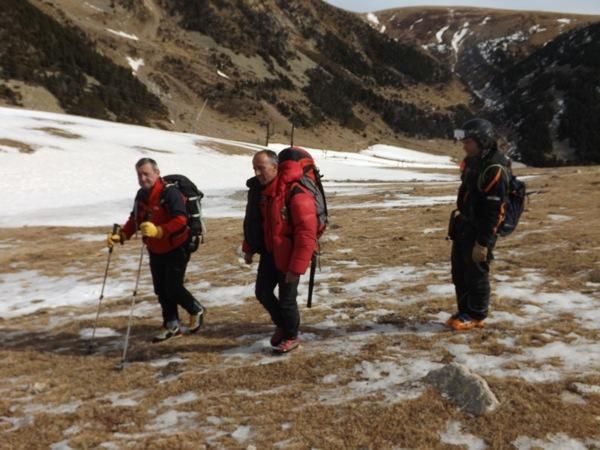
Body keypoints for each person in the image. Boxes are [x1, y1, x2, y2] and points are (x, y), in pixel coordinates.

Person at [107, 158, 205, 342]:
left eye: (146, 174)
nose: (143, 178)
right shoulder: (141, 195)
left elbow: (181, 220)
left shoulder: (170, 193)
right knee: (161, 289)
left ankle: (196, 309)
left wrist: (159, 230)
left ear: (157, 173)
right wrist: (121, 236)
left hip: (177, 246)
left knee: (173, 287)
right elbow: (134, 219)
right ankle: (171, 325)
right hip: (155, 248)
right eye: (139, 174)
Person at [242, 149, 318, 353]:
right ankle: (283, 325)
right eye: (255, 168)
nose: (257, 173)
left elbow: (306, 232)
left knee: (287, 300)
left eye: (261, 168)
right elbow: (253, 222)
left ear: (275, 167)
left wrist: (297, 267)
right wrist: (248, 249)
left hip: (291, 255)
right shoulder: (261, 192)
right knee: (263, 292)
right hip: (270, 252)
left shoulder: (295, 192)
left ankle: (292, 336)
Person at [446, 118, 509, 331]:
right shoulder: (473, 161)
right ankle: (465, 310)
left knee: (476, 272)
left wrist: (484, 242)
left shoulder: (494, 168)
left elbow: (495, 211)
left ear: (482, 141)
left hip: (480, 229)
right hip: (465, 225)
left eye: (469, 142)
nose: (464, 146)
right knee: (460, 271)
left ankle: (477, 314)